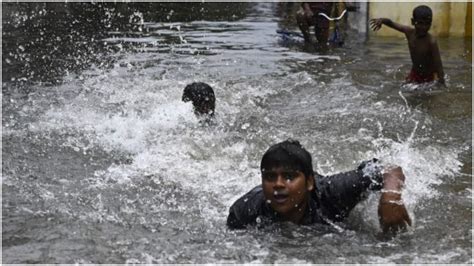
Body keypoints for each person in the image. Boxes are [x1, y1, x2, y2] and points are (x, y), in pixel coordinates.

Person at [227, 139, 411, 234]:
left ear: (308, 182)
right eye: (270, 177)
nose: (278, 184)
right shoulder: (244, 213)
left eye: (289, 177)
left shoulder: (333, 192)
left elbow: (389, 168)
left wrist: (391, 198)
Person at [370, 5, 445, 85]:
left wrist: (441, 82)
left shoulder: (431, 41)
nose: (424, 27)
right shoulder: (409, 33)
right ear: (413, 22)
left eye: (427, 24)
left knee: (426, 95)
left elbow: (439, 66)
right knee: (404, 91)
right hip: (415, 74)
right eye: (420, 23)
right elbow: (392, 23)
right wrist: (382, 20)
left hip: (429, 77)